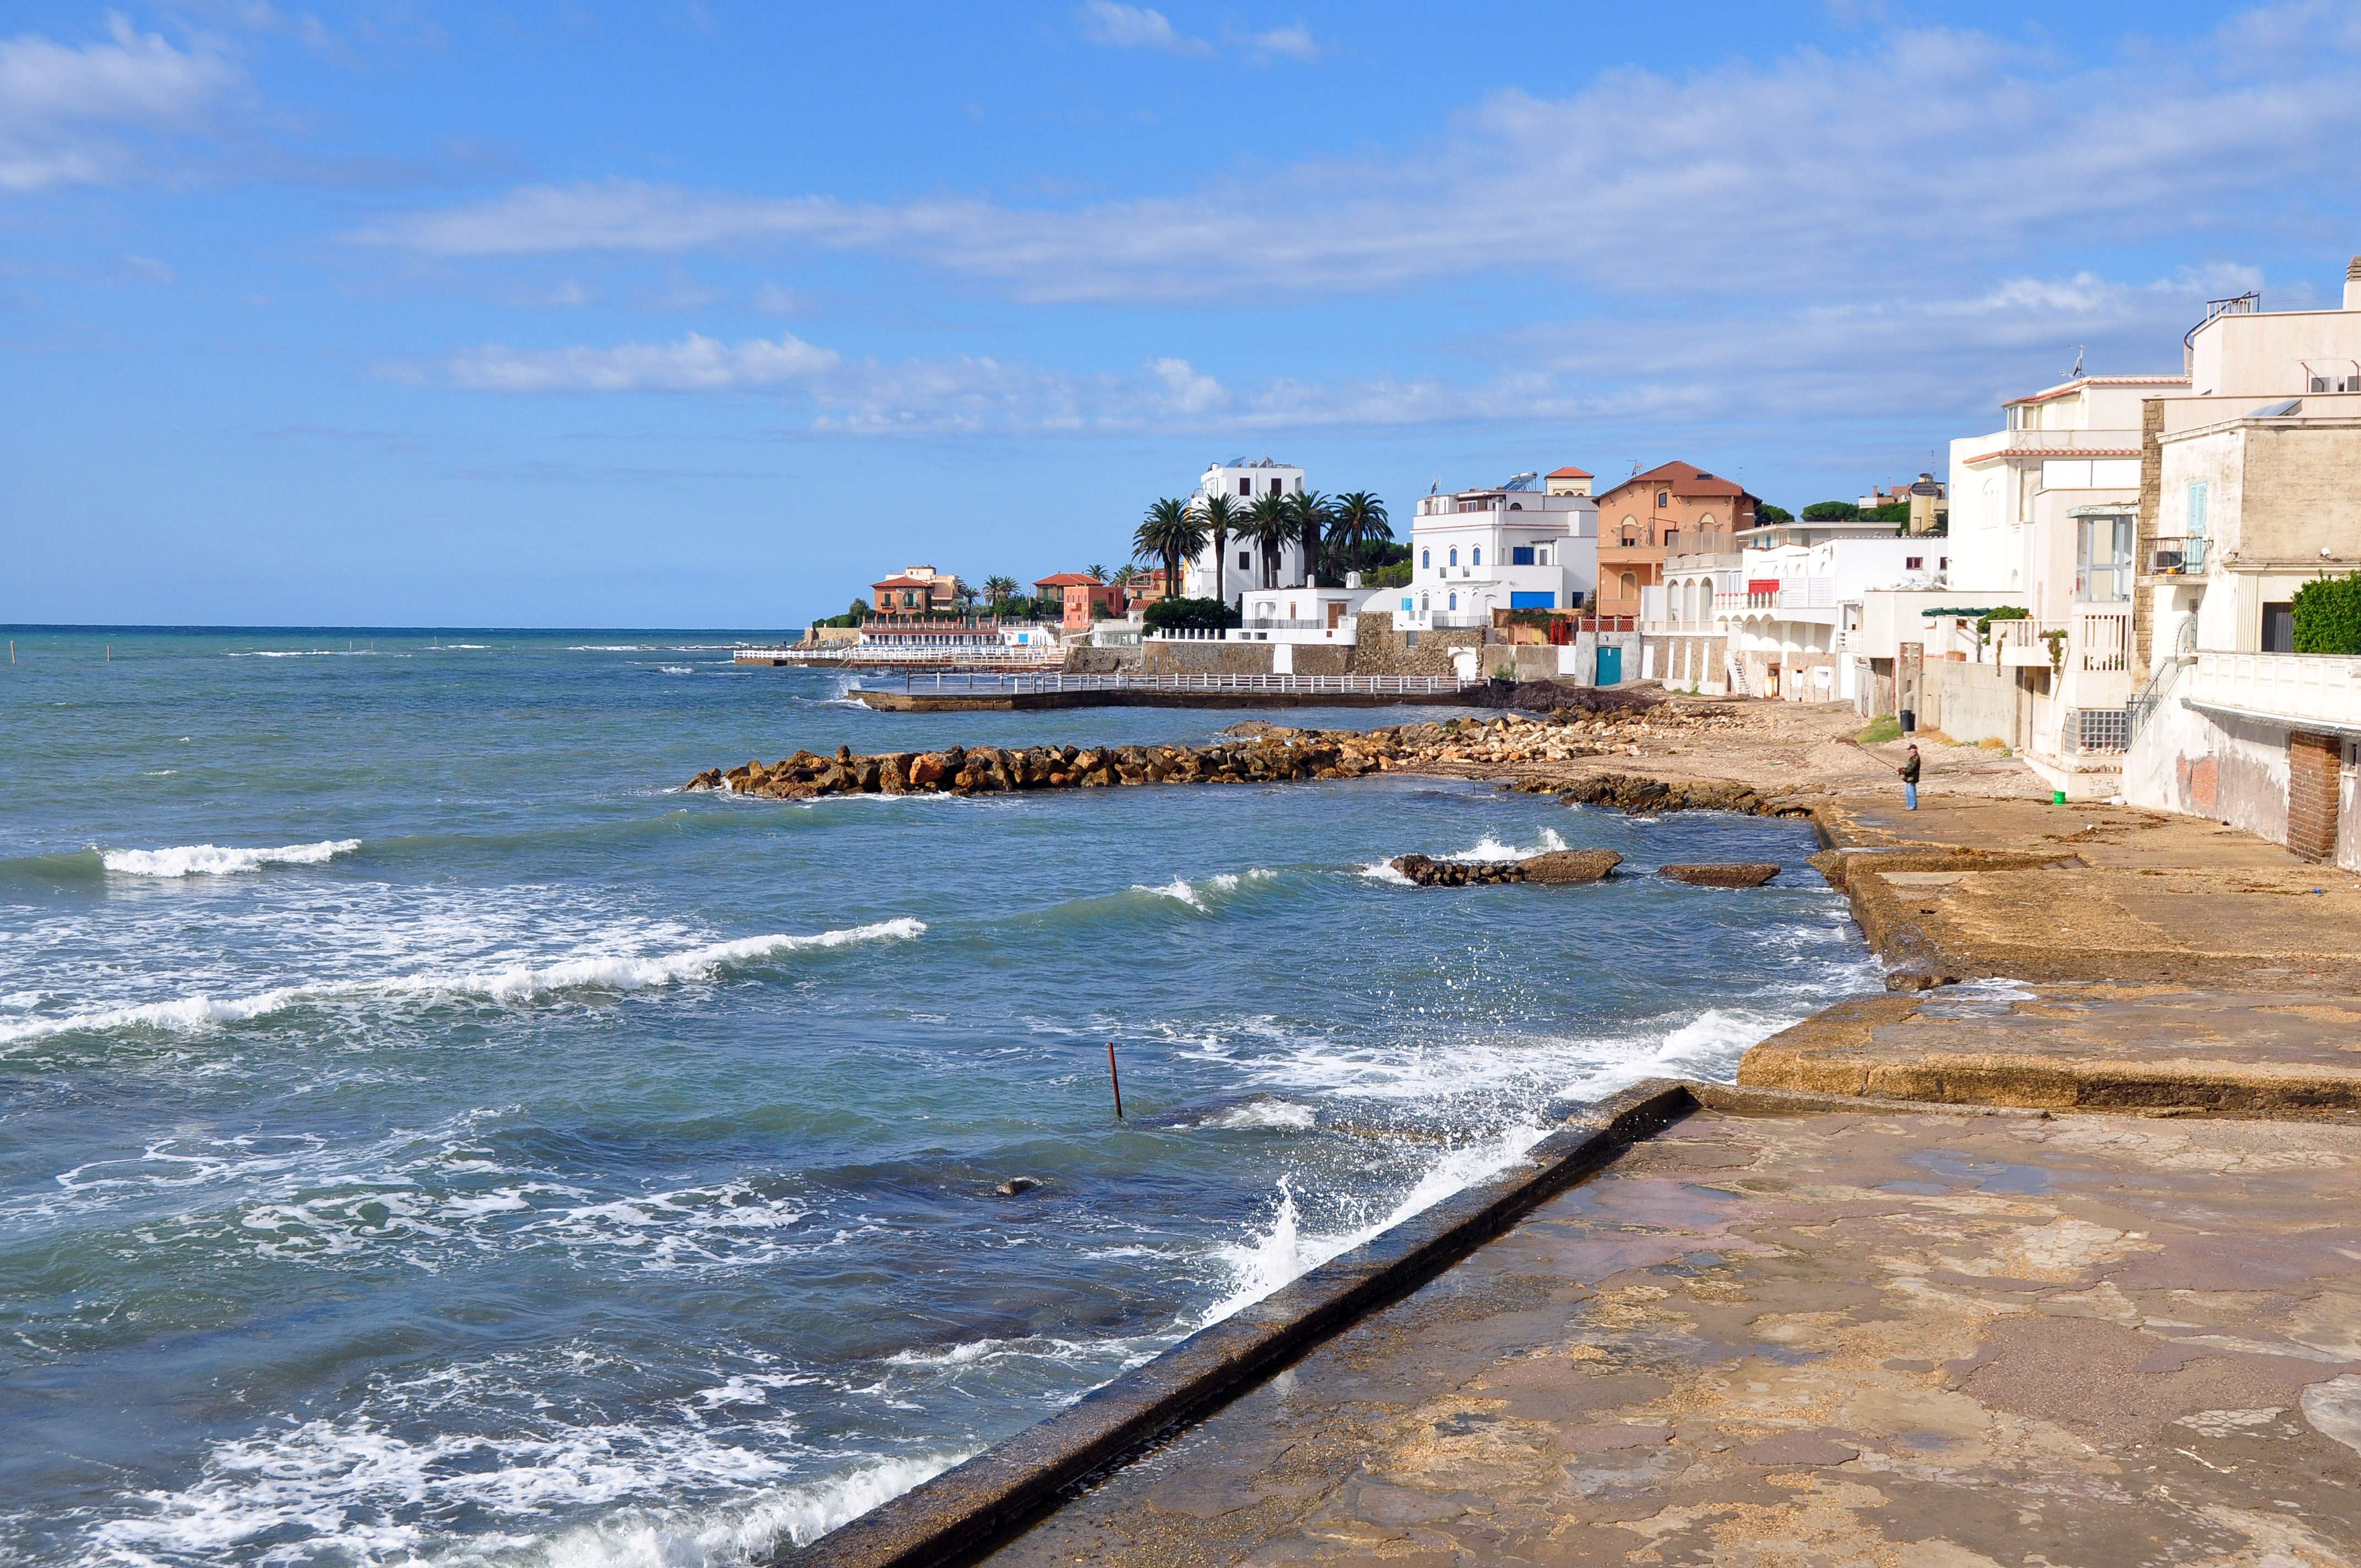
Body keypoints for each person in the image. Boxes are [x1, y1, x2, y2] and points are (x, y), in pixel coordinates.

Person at [1897, 743, 1921, 810]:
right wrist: (1900, 769)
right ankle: (1909, 805)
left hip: (1912, 777)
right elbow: (1909, 768)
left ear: (1915, 750)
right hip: (1909, 777)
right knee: (1908, 792)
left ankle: (1913, 806)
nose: (1909, 751)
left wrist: (1901, 770)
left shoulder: (1916, 758)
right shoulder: (1913, 758)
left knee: (1911, 792)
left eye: (1910, 750)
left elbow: (1911, 769)